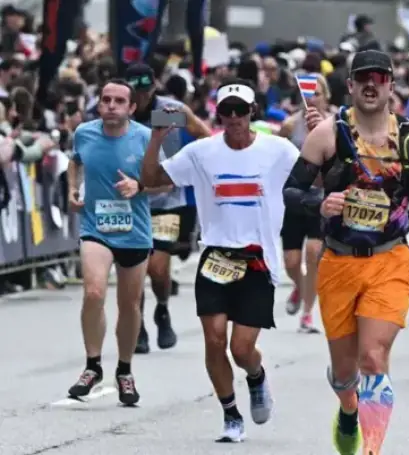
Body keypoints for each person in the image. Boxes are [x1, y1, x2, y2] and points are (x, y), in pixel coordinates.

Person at [282, 49, 409, 455]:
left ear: (391, 85)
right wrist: (320, 202)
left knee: (373, 358)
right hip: (338, 262)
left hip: (390, 259)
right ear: (351, 86)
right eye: (363, 79)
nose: (371, 85)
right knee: (345, 373)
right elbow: (291, 191)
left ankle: (372, 450)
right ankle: (347, 410)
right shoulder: (328, 135)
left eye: (380, 77)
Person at [140, 78, 298, 442]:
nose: (233, 117)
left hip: (258, 259)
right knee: (214, 340)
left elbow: (318, 172)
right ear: (219, 114)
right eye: (225, 111)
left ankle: (256, 376)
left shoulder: (278, 150)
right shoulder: (202, 152)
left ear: (251, 112)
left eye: (240, 110)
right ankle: (231, 414)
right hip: (216, 255)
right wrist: (156, 140)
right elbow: (150, 179)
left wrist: (319, 130)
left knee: (241, 349)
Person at [65, 79, 160, 406]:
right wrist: (72, 189)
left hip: (134, 230)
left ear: (132, 107)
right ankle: (93, 366)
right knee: (93, 291)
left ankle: (124, 369)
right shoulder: (84, 133)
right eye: (105, 99)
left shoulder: (145, 137)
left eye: (119, 101)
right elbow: (75, 161)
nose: (111, 105)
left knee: (129, 304)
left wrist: (140, 187)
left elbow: (165, 181)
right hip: (96, 226)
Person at [122, 63, 212, 354]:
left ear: (153, 88)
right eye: (136, 91)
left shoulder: (169, 111)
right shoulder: (118, 111)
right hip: (128, 202)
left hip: (166, 199)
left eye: (146, 91)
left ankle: (162, 309)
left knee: (158, 268)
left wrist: (190, 164)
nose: (142, 97)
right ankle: (138, 326)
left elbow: (205, 135)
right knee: (135, 268)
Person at [278, 73, 337, 332]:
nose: (312, 99)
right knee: (291, 261)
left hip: (322, 198)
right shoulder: (291, 125)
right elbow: (278, 158)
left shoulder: (338, 124)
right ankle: (300, 288)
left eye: (318, 93)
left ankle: (308, 312)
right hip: (296, 196)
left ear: (327, 96)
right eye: (308, 93)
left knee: (314, 253)